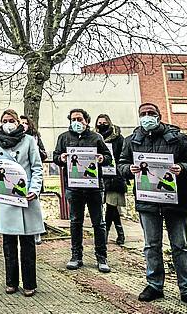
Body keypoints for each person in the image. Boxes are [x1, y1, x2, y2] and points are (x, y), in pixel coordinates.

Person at [118, 102, 187, 313]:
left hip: (176, 204)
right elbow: (121, 164)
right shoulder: (131, 141)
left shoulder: (178, 138)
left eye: (151, 113)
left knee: (180, 247)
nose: (147, 117)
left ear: (159, 116)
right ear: (139, 117)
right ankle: (154, 286)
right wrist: (128, 169)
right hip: (148, 203)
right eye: (143, 114)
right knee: (151, 246)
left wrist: (182, 168)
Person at [0, 109, 44, 297]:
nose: (8, 123)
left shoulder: (29, 141)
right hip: (6, 200)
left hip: (26, 198)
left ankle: (29, 284)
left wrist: (34, 190)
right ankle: (11, 282)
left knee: (27, 245)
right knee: (9, 245)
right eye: (5, 120)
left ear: (18, 122)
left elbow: (37, 168)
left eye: (11, 120)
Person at [53, 108, 113, 273]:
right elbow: (56, 156)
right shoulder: (64, 137)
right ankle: (76, 256)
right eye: (73, 119)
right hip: (74, 187)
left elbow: (108, 157)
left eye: (80, 119)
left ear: (86, 121)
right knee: (75, 222)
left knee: (98, 223)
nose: (76, 122)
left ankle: (102, 258)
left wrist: (102, 159)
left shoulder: (96, 138)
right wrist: (61, 158)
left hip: (94, 188)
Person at [95, 114, 127, 246]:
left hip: (115, 177)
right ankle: (120, 233)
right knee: (110, 208)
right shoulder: (94, 138)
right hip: (100, 176)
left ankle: (106, 234)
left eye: (104, 122)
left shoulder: (119, 139)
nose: (102, 124)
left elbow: (124, 156)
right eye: (100, 122)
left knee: (111, 206)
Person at [20, 115, 47, 244]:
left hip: (34, 178)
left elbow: (44, 154)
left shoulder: (35, 138)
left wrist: (36, 149)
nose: (23, 125)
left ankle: (37, 233)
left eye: (26, 123)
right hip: (20, 179)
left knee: (34, 206)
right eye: (21, 123)